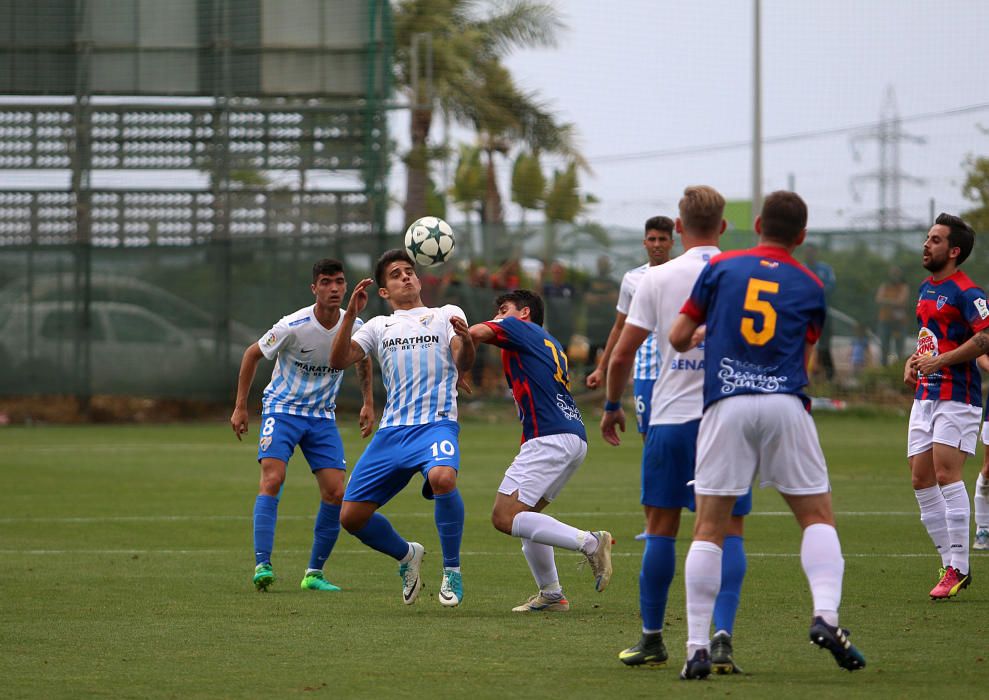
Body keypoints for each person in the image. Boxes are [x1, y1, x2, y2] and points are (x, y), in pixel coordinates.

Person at [669, 190, 865, 679]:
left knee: (709, 527)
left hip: (726, 404)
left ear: (757, 224)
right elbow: (806, 359)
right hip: (785, 403)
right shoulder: (811, 283)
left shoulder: (723, 268)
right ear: (801, 236)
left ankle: (695, 646)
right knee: (816, 515)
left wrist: (705, 333)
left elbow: (677, 336)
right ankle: (826, 616)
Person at [601, 187, 750, 673]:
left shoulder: (658, 278)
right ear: (723, 227)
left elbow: (622, 353)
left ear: (680, 229)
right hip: (728, 419)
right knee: (729, 531)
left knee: (660, 529)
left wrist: (610, 404)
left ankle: (651, 638)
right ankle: (722, 637)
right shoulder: (742, 275)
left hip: (669, 419)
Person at [329, 249, 475, 607]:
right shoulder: (378, 325)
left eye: (409, 271)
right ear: (384, 291)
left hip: (435, 425)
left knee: (443, 478)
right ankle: (407, 555)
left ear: (419, 279)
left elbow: (462, 359)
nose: (406, 277)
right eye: (396, 274)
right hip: (392, 433)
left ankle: (452, 570)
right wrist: (350, 314)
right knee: (350, 517)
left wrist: (467, 342)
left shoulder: (446, 314)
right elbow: (337, 360)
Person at [230, 258, 374, 593]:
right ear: (314, 288)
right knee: (273, 478)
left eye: (339, 281)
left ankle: (314, 574)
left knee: (336, 491)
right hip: (282, 410)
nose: (335, 288)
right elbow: (252, 353)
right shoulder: (293, 325)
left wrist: (368, 402)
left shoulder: (354, 324)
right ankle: (263, 564)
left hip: (322, 416)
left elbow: (363, 358)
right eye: (326, 282)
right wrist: (240, 407)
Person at [468, 289, 613, 612]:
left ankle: (591, 542)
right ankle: (551, 595)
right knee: (527, 516)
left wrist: (453, 340)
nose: (498, 316)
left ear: (524, 313)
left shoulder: (518, 328)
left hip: (550, 437)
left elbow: (476, 332)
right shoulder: (548, 341)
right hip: (572, 436)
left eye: (503, 309)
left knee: (504, 517)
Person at [905, 213, 988, 598]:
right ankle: (948, 562)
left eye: (936, 240)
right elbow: (929, 339)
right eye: (927, 237)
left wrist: (941, 361)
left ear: (954, 251)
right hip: (925, 396)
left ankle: (959, 566)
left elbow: (985, 338)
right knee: (921, 479)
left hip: (958, 397)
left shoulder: (968, 292)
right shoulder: (925, 288)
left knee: (944, 474)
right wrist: (915, 361)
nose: (927, 244)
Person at [587, 216, 675, 444]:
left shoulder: (682, 274)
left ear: (671, 242)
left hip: (678, 367)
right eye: (652, 239)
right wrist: (601, 368)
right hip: (645, 371)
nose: (657, 244)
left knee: (680, 437)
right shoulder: (632, 279)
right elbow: (619, 327)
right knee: (649, 439)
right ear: (644, 242)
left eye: (662, 239)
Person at [804, 243, 836, 381]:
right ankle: (807, 373)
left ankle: (828, 373)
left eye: (812, 252)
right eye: (807, 252)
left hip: (823, 312)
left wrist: (816, 290)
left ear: (816, 253)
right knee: (804, 343)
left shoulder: (825, 269)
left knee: (824, 343)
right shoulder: (801, 269)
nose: (810, 254)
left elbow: (831, 285)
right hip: (805, 313)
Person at [583, 256, 621, 365]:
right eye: (601, 264)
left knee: (609, 355)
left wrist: (598, 298)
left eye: (605, 264)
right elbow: (587, 298)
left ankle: (607, 379)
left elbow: (615, 298)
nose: (603, 267)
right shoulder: (590, 281)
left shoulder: (613, 282)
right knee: (591, 354)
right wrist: (605, 298)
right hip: (593, 325)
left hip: (608, 325)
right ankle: (588, 379)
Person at [875, 265, 909, 365]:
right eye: (893, 273)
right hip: (885, 320)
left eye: (896, 273)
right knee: (884, 347)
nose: (894, 275)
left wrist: (886, 301)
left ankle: (899, 369)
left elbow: (901, 301)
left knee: (899, 348)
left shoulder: (903, 286)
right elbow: (878, 299)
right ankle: (884, 368)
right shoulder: (885, 285)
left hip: (899, 322)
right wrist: (894, 301)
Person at [542, 261, 576, 352]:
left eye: (559, 272)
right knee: (552, 352)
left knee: (564, 352)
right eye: (555, 272)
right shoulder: (547, 287)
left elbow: (574, 306)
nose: (557, 274)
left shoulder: (569, 287)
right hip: (553, 326)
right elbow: (538, 293)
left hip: (566, 327)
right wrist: (541, 275)